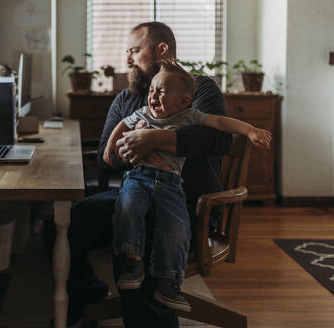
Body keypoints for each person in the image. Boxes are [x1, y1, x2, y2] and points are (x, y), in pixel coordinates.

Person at [43, 21, 234, 328]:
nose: (128, 59)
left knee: (140, 242)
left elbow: (220, 139)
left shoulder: (198, 88)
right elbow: (107, 158)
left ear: (161, 50)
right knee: (60, 225)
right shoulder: (127, 101)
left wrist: (155, 139)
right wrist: (131, 146)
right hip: (135, 194)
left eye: (134, 50)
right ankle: (88, 294)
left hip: (188, 202)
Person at [104, 59, 270, 313]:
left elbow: (221, 125)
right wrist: (111, 147)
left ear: (183, 101)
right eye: (151, 91)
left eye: (161, 92)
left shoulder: (190, 117)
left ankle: (169, 284)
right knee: (127, 208)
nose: (153, 96)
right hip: (139, 178)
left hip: (171, 184)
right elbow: (121, 125)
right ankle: (132, 262)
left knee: (177, 226)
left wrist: (250, 130)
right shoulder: (142, 114)